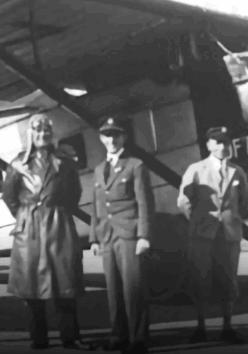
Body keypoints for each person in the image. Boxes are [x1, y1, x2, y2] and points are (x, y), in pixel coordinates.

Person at [2, 113, 91, 350]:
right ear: (31, 134)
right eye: (38, 131)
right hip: (29, 229)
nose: (43, 135)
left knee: (66, 283)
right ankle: (38, 338)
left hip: (58, 225)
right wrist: (25, 216)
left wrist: (57, 212)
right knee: (32, 286)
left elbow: (74, 193)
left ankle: (70, 336)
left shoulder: (64, 162)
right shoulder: (17, 164)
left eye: (47, 132)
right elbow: (9, 196)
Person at [177, 126, 248, 344]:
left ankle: (227, 327)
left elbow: (246, 201)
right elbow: (183, 200)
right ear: (208, 145)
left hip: (228, 233)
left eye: (226, 142)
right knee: (200, 278)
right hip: (203, 233)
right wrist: (199, 220)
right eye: (217, 142)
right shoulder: (196, 170)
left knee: (228, 279)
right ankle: (200, 327)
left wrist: (233, 218)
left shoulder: (237, 171)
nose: (222, 147)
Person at [89, 115, 155, 354]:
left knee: (133, 289)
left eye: (116, 134)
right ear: (101, 138)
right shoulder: (98, 170)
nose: (112, 139)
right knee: (113, 290)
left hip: (129, 234)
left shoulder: (135, 165)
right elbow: (97, 206)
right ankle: (119, 337)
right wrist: (94, 238)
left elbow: (145, 203)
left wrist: (144, 235)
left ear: (124, 137)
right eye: (107, 135)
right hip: (107, 236)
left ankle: (139, 340)